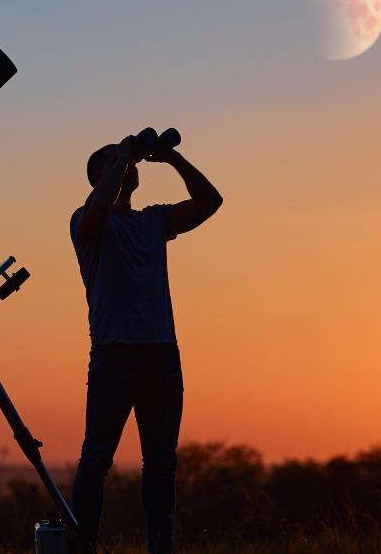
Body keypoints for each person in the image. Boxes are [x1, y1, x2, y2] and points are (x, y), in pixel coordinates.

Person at [69, 129, 222, 553]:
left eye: (130, 163)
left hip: (160, 355)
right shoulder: (85, 221)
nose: (129, 167)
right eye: (117, 164)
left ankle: (161, 546)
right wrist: (122, 156)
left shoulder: (153, 222)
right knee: (96, 459)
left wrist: (171, 158)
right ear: (100, 176)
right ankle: (84, 545)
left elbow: (211, 202)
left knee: (160, 463)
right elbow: (98, 209)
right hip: (113, 356)